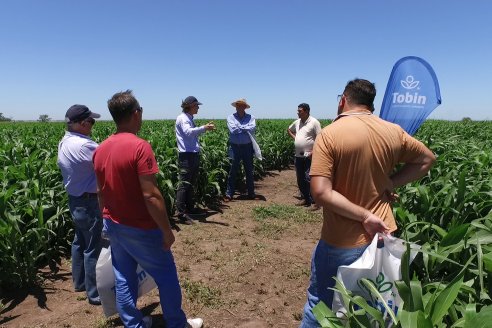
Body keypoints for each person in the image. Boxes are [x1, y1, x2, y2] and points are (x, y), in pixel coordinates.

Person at [300, 79, 436, 327]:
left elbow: (320, 193)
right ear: (370, 104)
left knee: (320, 304)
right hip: (383, 237)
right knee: (372, 307)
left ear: (343, 100)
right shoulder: (392, 131)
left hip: (341, 241)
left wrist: (363, 216)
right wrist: (391, 183)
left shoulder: (330, 134)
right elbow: (427, 159)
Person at [93, 90, 203, 328]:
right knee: (166, 276)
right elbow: (151, 195)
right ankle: (177, 323)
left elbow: (101, 193)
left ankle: (133, 324)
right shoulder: (140, 147)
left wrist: (106, 221)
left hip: (114, 224)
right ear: (136, 113)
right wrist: (166, 230)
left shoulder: (101, 149)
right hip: (141, 226)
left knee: (124, 277)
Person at [57, 104, 102, 306]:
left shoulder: (64, 141)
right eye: (91, 121)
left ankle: (80, 283)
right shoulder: (85, 145)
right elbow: (109, 160)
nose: (92, 125)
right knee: (93, 246)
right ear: (83, 123)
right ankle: (94, 294)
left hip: (75, 200)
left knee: (80, 241)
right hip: (89, 201)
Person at [175, 96, 215, 225]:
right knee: (184, 184)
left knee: (191, 183)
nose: (198, 107)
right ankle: (180, 212)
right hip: (186, 155)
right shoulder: (183, 118)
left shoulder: (189, 118)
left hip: (192, 154)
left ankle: (190, 208)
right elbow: (188, 132)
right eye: (196, 105)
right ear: (190, 106)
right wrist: (204, 128)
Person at [287, 103, 322, 208]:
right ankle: (306, 199)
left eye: (300, 111)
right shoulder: (297, 122)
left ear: (306, 111)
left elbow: (320, 138)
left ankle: (315, 201)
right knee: (300, 178)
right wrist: (296, 138)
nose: (298, 112)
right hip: (298, 155)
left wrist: (313, 151)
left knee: (308, 178)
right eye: (298, 111)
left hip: (309, 156)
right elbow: (289, 129)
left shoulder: (314, 122)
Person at [224, 98, 259, 201]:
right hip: (235, 147)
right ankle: (229, 194)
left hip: (247, 147)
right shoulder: (230, 117)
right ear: (236, 106)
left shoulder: (251, 117)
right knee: (233, 171)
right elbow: (233, 130)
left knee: (249, 170)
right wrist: (245, 128)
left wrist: (240, 127)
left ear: (245, 107)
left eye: (242, 105)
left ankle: (251, 193)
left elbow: (252, 128)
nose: (240, 107)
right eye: (238, 105)